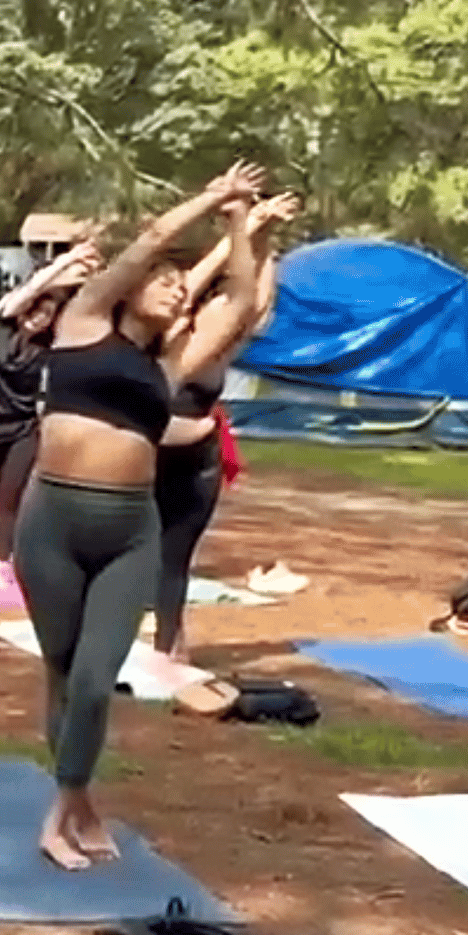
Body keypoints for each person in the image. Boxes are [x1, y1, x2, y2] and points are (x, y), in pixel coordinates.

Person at [13, 161, 269, 873]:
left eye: (182, 284)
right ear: (129, 286)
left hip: (129, 530)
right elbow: (149, 240)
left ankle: (61, 811)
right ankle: (79, 801)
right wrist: (211, 197)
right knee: (62, 672)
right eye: (164, 278)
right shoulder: (83, 322)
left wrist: (241, 227)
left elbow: (241, 301)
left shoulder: (170, 366)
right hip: (53, 520)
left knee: (96, 679)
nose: (176, 287)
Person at [151, 192, 297, 662]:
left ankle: (169, 642)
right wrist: (242, 229)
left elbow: (257, 304)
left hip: (198, 460)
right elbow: (202, 287)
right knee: (135, 551)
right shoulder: (162, 337)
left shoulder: (221, 345)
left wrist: (266, 239)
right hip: (147, 455)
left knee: (176, 556)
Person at [0, 243, 101, 563]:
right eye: (37, 310)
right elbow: (31, 288)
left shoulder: (47, 346)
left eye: (48, 316)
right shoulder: (2, 325)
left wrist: (92, 276)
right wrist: (67, 260)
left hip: (21, 427)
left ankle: (5, 562)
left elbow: (88, 307)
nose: (39, 319)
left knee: (9, 500)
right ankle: (8, 544)